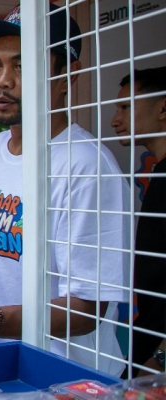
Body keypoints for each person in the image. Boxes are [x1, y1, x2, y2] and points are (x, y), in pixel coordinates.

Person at [0, 4, 131, 376]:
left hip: (65, 377)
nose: (2, 81)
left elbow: (86, 310)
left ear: (66, 76)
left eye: (21, 66)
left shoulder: (86, 166)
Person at [110, 66, 166, 375]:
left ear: (162, 108)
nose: (115, 120)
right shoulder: (159, 172)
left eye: (126, 107)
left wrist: (159, 359)